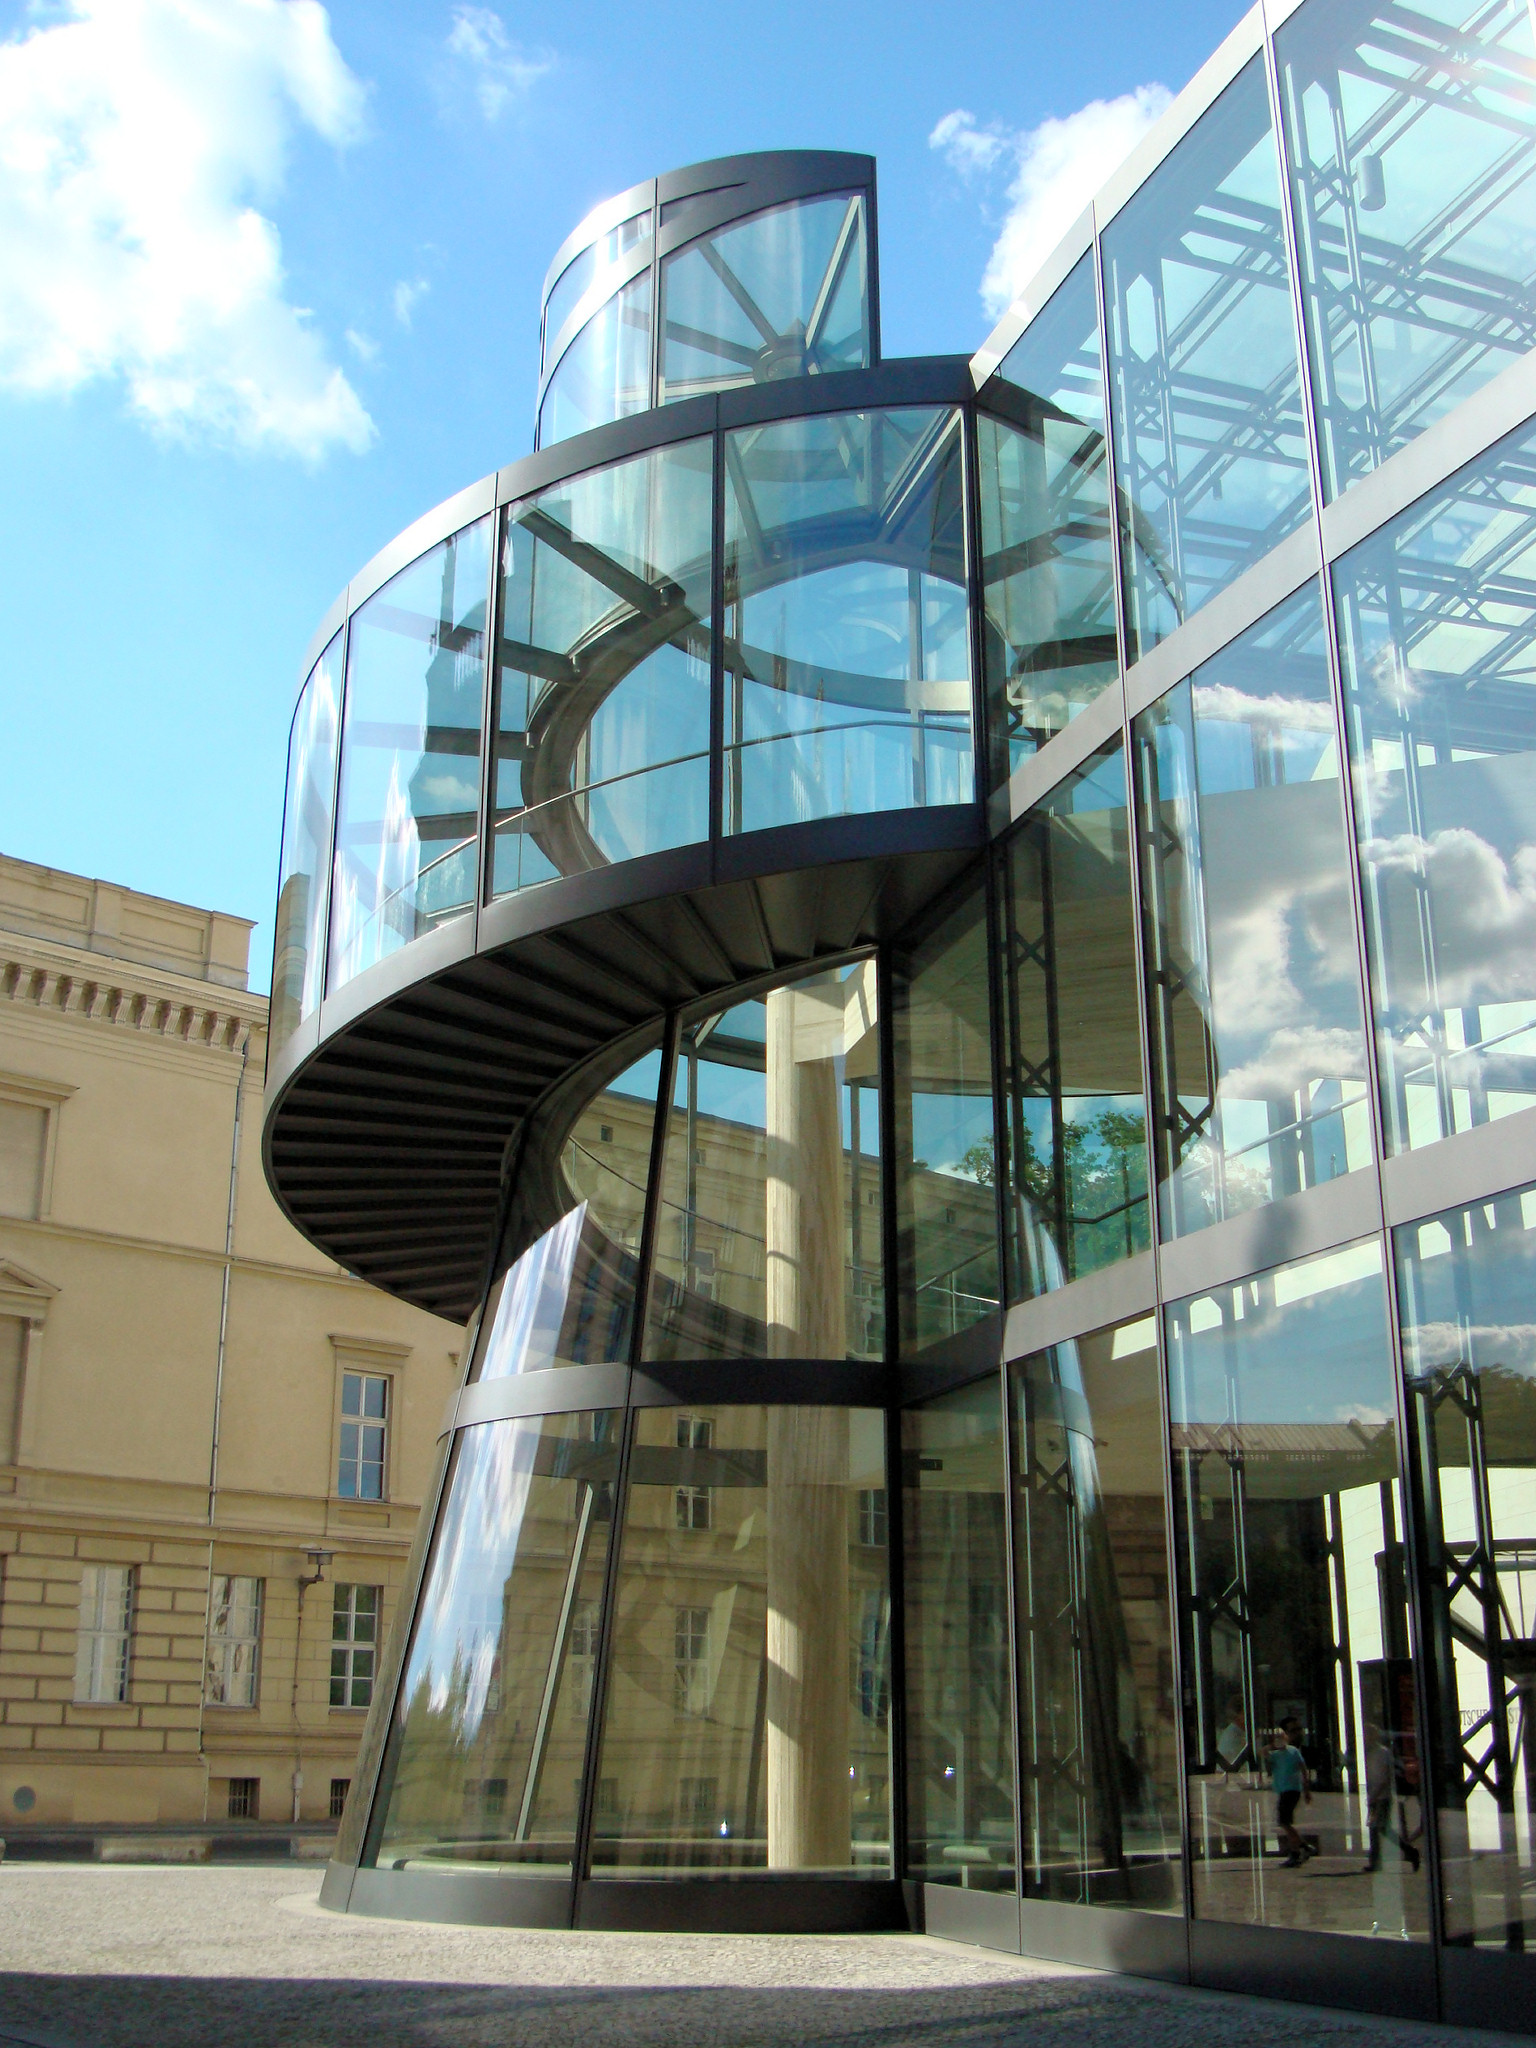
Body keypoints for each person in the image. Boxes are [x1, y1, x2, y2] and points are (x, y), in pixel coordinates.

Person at [1362, 1722, 1420, 1874]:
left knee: (1378, 1829)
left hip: (1381, 1796)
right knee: (1380, 1829)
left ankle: (1379, 1860)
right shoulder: (1371, 1752)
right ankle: (1404, 1852)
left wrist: (1374, 1796)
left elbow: (1384, 1777)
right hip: (1376, 1795)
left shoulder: (1382, 1753)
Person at [1267, 1724, 1312, 1866]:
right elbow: (1264, 1757)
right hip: (1283, 1790)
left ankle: (1302, 1848)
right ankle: (1297, 1851)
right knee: (1286, 1822)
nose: (1279, 1740)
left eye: (1280, 1737)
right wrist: (1270, 1747)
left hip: (1292, 1790)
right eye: (1276, 1738)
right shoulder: (1274, 1755)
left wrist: (1306, 1790)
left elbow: (1303, 1770)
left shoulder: (1293, 1751)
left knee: (1284, 1822)